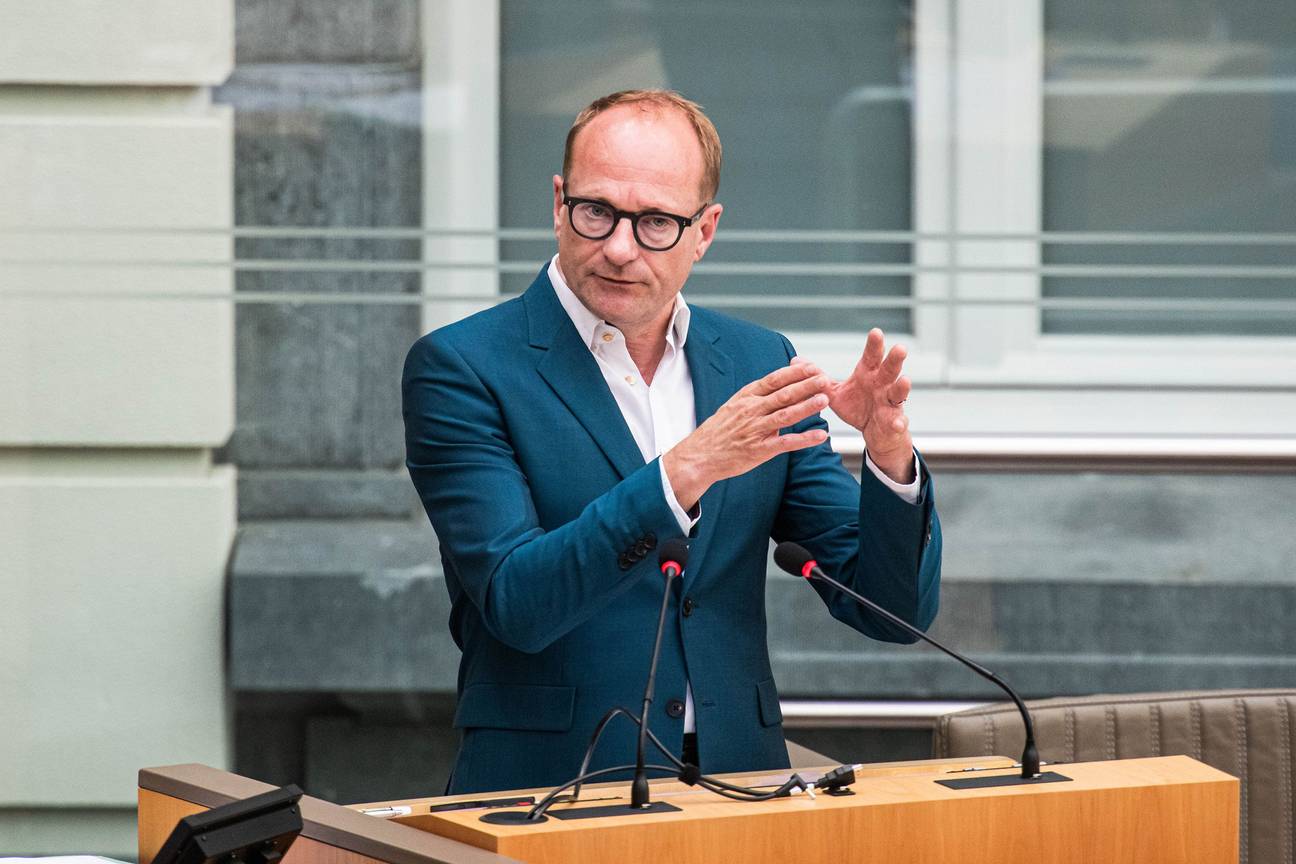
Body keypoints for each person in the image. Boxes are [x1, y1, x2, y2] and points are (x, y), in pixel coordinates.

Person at [402, 89, 941, 795]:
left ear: (705, 229)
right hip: (549, 791)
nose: (619, 249)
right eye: (596, 212)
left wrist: (888, 456)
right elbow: (516, 604)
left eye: (655, 221)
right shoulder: (463, 366)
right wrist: (680, 473)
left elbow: (893, 611)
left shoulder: (756, 362)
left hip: (738, 786)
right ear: (557, 203)